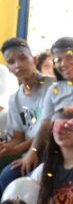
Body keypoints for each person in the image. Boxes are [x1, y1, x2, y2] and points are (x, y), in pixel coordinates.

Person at [20, 36, 73, 176]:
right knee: (11, 174)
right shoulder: (54, 89)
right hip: (58, 150)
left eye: (69, 57)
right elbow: (45, 126)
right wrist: (32, 152)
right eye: (58, 60)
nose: (63, 63)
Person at [0, 38, 53, 178]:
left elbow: (52, 129)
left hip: (51, 149)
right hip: (28, 151)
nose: (18, 65)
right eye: (11, 62)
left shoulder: (54, 86)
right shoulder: (14, 99)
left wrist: (20, 149)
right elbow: (18, 137)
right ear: (9, 69)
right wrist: (7, 148)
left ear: (34, 59)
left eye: (23, 58)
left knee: (7, 176)